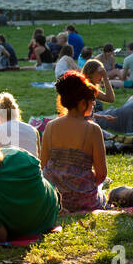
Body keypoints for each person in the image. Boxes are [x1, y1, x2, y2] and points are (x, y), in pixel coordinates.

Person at [39, 73, 107, 212]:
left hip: (53, 201)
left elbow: (43, 165)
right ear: (82, 103)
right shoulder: (93, 129)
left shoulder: (50, 126)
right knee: (104, 193)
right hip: (83, 200)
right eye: (92, 101)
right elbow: (101, 174)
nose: (94, 104)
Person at [0, 92, 39, 157]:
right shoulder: (32, 130)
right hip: (31, 166)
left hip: (9, 167)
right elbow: (39, 158)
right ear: (16, 113)